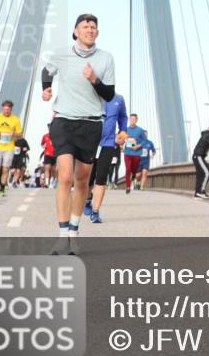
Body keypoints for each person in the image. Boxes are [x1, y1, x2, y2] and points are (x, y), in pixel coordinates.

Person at [41, 13, 117, 254]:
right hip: (63, 121)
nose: (90, 29)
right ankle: (63, 235)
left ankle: (73, 232)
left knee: (82, 180)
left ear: (97, 32)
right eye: (85, 26)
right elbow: (46, 71)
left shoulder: (106, 59)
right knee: (64, 177)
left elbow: (109, 95)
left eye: (94, 26)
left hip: (91, 124)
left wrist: (94, 79)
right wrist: (46, 89)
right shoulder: (61, 54)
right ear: (76, 31)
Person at [84, 93, 128, 222]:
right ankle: (87, 200)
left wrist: (123, 132)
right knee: (88, 178)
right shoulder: (89, 94)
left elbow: (123, 117)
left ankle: (96, 212)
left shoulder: (118, 99)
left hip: (108, 143)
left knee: (102, 177)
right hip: (90, 143)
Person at [0, 100, 22, 197]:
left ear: (11, 109)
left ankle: (2, 188)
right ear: (2, 109)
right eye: (4, 109)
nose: (6, 111)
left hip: (9, 147)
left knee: (6, 169)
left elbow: (20, 135)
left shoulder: (15, 119)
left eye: (8, 109)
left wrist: (14, 134)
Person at [121, 113, 147, 195]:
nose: (132, 120)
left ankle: (133, 175)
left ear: (136, 120)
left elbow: (144, 140)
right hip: (127, 152)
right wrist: (121, 146)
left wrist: (138, 145)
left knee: (134, 170)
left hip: (136, 153)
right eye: (130, 119)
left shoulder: (140, 130)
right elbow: (120, 139)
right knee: (128, 169)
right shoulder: (125, 130)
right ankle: (128, 186)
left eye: (133, 119)